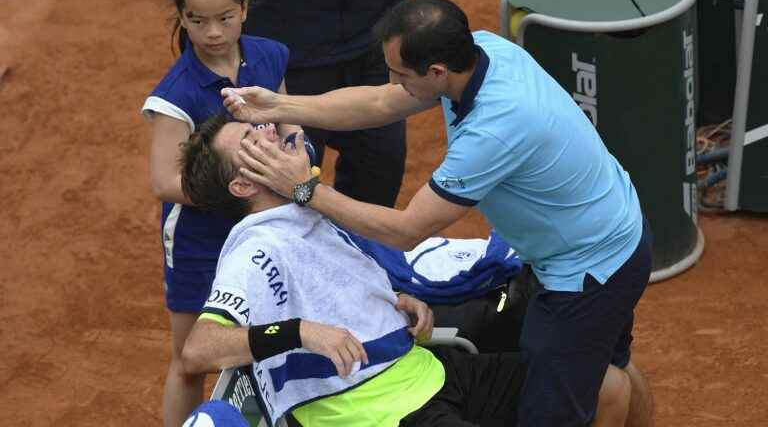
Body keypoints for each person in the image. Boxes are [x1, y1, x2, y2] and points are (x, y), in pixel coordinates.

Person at [220, 0, 654, 426]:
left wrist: (304, 189)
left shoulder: (494, 131)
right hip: (609, 234)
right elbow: (380, 103)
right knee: (607, 372)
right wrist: (279, 107)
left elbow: (407, 229)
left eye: (400, 73)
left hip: (587, 273)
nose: (392, 81)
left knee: (554, 410)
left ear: (436, 72)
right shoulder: (482, 50)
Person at [178, 114, 632, 427]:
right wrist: (299, 332)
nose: (267, 132)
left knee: (604, 386)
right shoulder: (256, 248)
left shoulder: (305, 212)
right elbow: (198, 350)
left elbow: (332, 289)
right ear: (241, 183)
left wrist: (393, 305)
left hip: (430, 370)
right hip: (379, 412)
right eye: (250, 140)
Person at [140, 0, 300, 425]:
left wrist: (298, 154)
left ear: (245, 9)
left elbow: (288, 119)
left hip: (267, 226)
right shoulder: (177, 94)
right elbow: (164, 182)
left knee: (275, 335)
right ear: (182, 19)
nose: (212, 33)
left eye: (225, 19)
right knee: (190, 359)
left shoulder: (269, 55)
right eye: (197, 21)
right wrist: (247, 188)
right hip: (200, 242)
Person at [243, 0, 407, 207]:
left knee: (380, 173)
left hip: (375, 33)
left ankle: (358, 241)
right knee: (289, 187)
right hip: (288, 47)